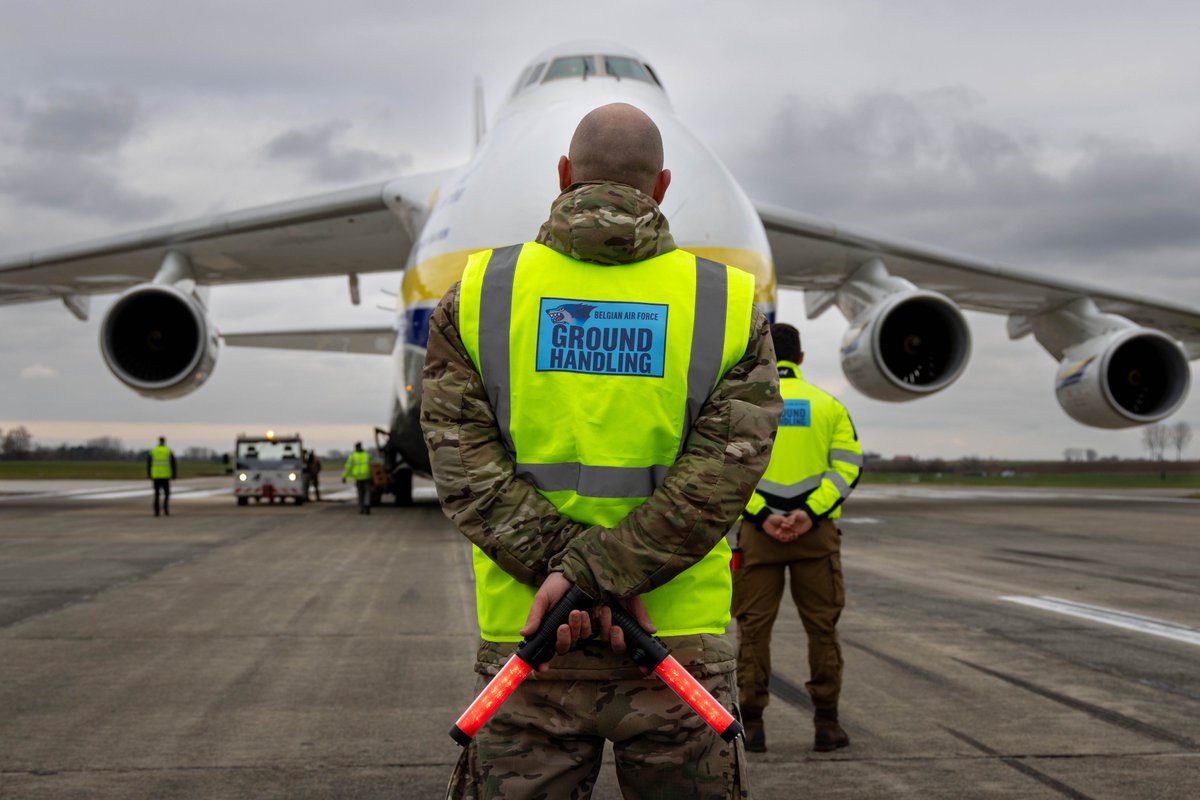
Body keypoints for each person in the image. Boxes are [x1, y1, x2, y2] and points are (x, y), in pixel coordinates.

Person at [422, 102, 781, 800]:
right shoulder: (730, 306)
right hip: (675, 648)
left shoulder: (479, 295)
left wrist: (571, 584)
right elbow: (718, 482)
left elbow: (463, 471)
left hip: (530, 643)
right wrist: (604, 577)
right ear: (663, 185)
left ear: (563, 176)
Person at [732, 323, 863, 754]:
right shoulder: (829, 405)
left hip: (759, 536)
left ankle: (752, 726)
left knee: (753, 634)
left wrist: (767, 516)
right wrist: (807, 515)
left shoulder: (748, 405)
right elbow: (848, 468)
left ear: (765, 355)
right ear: (801, 358)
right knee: (822, 631)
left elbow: (731, 470)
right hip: (815, 537)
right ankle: (827, 724)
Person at [146, 436, 176, 517]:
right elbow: (173, 463)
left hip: (155, 475)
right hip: (165, 475)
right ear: (164, 442)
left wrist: (149, 474)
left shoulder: (153, 451)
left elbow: (149, 463)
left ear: (158, 441)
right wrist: (174, 475)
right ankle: (166, 509)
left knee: (156, 494)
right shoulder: (168, 451)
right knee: (167, 494)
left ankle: (156, 511)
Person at [342, 442, 372, 514]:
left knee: (360, 493)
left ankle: (361, 508)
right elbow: (372, 464)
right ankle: (367, 504)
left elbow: (348, 467)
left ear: (355, 447)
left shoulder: (352, 456)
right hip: (367, 476)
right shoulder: (367, 455)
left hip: (358, 478)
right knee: (367, 492)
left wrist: (344, 477)